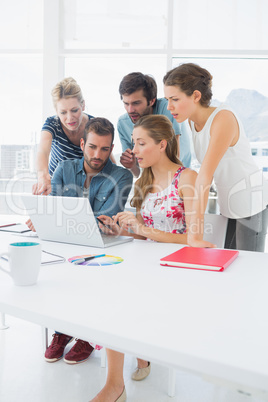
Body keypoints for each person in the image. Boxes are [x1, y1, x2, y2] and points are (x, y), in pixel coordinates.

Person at [91, 114, 197, 402]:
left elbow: (196, 240)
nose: (133, 150)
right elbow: (142, 236)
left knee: (120, 299)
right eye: (133, 142)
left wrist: (143, 228)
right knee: (108, 286)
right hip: (146, 264)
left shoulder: (187, 178)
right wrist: (122, 228)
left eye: (140, 143)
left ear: (162, 144)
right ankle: (117, 382)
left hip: (177, 269)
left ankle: (116, 385)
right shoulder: (144, 180)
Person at [27, 117, 133, 365]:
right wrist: (42, 218)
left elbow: (106, 221)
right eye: (93, 147)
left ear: (111, 148)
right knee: (58, 279)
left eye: (105, 149)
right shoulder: (64, 168)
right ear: (83, 143)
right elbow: (54, 207)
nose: (98, 154)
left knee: (92, 281)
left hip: (102, 248)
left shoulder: (122, 177)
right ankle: (63, 330)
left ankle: (87, 335)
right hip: (67, 244)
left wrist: (54, 218)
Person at [163, 63, 268, 251]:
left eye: (175, 99)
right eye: (167, 99)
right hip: (228, 201)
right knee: (229, 260)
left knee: (248, 265)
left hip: (250, 200)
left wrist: (194, 236)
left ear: (196, 96)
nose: (169, 106)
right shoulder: (191, 121)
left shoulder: (223, 119)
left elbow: (205, 176)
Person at [33, 77, 116, 196]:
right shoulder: (53, 124)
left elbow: (109, 160)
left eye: (74, 110)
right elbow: (42, 151)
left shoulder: (93, 126)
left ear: (83, 105)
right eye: (63, 112)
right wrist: (42, 176)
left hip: (86, 189)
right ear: (56, 111)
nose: (69, 118)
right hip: (56, 187)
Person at [117, 72, 192, 177]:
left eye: (136, 103)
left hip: (178, 176)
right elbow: (137, 172)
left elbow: (174, 156)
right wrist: (131, 165)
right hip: (152, 179)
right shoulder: (123, 123)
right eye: (126, 103)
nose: (130, 110)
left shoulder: (168, 108)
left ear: (151, 101)